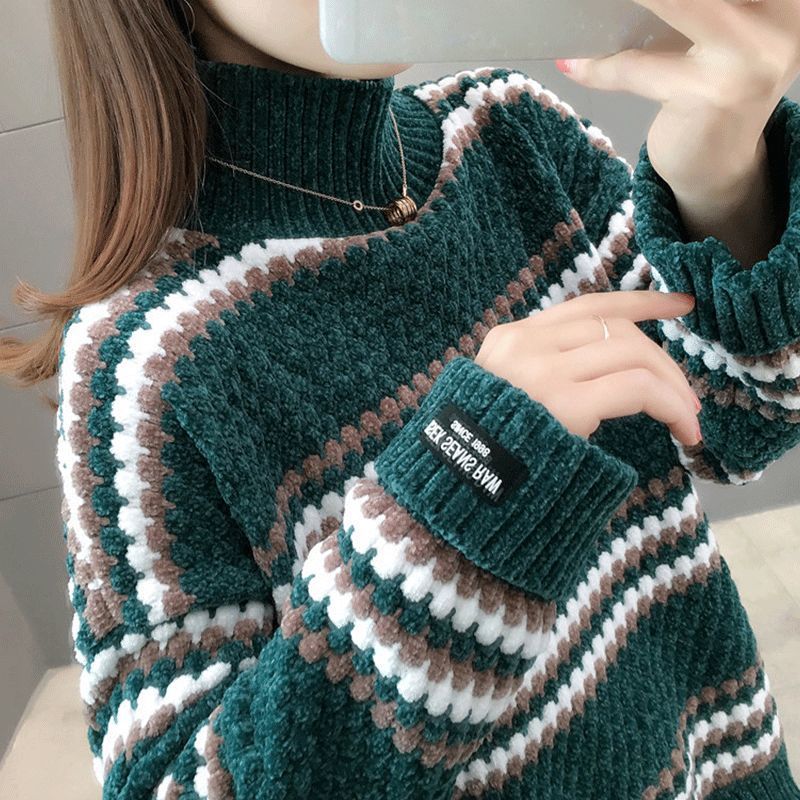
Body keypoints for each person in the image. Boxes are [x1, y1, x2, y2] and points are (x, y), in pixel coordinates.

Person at [1, 0, 799, 797]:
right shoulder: (141, 363)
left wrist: (724, 184)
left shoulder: (511, 127)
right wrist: (470, 478)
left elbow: (739, 426)